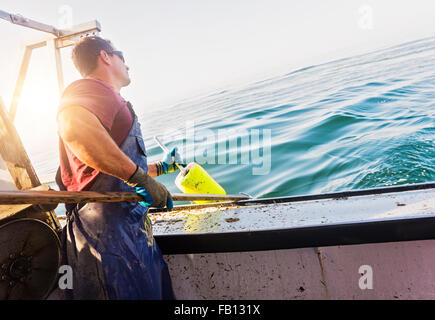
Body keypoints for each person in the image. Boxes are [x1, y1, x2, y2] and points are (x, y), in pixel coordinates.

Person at [55, 36, 182, 299]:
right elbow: (74, 129)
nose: (128, 64)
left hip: (129, 234)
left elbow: (106, 168)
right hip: (107, 239)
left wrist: (161, 168)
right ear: (105, 56)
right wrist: (141, 179)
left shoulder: (106, 97)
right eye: (121, 55)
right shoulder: (92, 89)